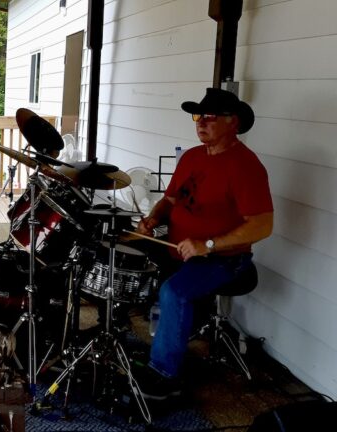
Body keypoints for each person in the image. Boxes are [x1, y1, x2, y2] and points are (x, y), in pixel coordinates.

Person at [134, 88, 274, 400]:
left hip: (223, 259)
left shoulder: (245, 166)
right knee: (120, 253)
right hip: (179, 248)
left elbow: (263, 225)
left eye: (210, 117)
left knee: (175, 291)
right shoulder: (191, 157)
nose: (201, 122)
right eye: (199, 116)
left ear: (233, 122)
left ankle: (165, 375)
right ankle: (152, 338)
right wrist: (153, 219)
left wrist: (208, 244)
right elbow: (169, 201)